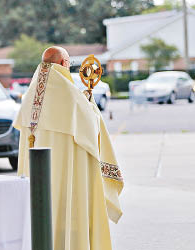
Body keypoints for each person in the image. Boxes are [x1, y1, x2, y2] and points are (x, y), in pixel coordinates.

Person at [14, 46, 123, 250]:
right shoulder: (70, 94)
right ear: (64, 64)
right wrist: (90, 104)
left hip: (38, 176)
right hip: (67, 173)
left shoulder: (30, 96)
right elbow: (90, 128)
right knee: (67, 206)